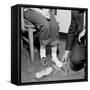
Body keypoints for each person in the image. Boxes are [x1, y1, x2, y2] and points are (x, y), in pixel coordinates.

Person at [24, 8, 63, 78]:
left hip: (45, 9)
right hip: (31, 9)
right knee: (45, 25)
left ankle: (54, 56)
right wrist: (41, 12)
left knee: (55, 26)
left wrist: (46, 10)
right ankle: (43, 53)